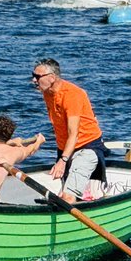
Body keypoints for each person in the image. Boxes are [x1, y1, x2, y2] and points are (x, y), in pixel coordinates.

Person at [31, 58, 108, 203]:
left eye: (37, 77)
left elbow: (74, 134)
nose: (34, 80)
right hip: (66, 148)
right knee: (62, 194)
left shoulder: (72, 95)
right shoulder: (47, 93)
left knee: (68, 196)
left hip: (86, 147)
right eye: (33, 76)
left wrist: (63, 160)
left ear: (52, 78)